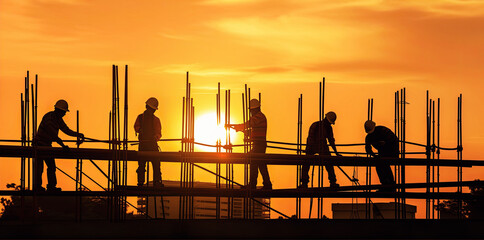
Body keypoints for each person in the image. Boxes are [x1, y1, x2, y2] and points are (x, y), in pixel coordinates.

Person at [33, 99, 85, 192]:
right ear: (59, 111)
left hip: (47, 145)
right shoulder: (48, 118)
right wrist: (63, 145)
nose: (64, 114)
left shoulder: (58, 119)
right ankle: (37, 187)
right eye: (64, 112)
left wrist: (78, 134)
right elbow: (53, 135)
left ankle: (51, 187)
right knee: (39, 168)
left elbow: (66, 130)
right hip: (39, 144)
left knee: (51, 166)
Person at [228, 99, 272, 190]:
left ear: (254, 109)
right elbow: (252, 131)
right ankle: (266, 184)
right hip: (258, 144)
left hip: (259, 145)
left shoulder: (259, 117)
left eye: (251, 110)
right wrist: (242, 130)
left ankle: (253, 185)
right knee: (260, 164)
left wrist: (234, 126)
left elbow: (248, 124)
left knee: (253, 161)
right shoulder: (259, 118)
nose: (251, 112)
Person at [298, 111, 342, 189]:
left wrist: (336, 153)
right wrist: (309, 150)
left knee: (329, 162)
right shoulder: (316, 125)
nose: (330, 124)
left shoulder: (328, 128)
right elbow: (310, 138)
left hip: (322, 146)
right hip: (313, 145)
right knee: (306, 163)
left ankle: (333, 182)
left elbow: (331, 141)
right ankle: (304, 183)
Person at [134, 97, 162, 187]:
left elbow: (158, 133)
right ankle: (141, 182)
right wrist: (140, 130)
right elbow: (136, 126)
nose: (152, 111)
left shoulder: (156, 120)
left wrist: (155, 137)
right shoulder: (140, 118)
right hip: (143, 144)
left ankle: (157, 181)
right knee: (141, 165)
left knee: (156, 164)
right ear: (147, 107)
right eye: (151, 109)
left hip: (152, 145)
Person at [364, 120, 397, 192]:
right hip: (382, 154)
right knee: (380, 166)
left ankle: (390, 185)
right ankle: (387, 185)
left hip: (391, 151)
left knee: (384, 165)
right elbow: (368, 149)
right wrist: (374, 155)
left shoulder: (383, 131)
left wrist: (385, 144)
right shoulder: (369, 137)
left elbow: (394, 140)